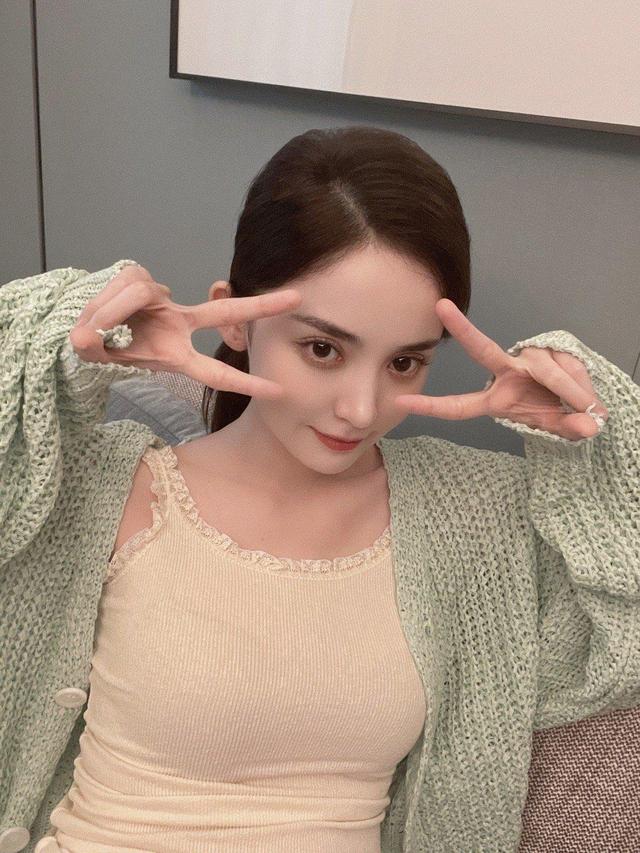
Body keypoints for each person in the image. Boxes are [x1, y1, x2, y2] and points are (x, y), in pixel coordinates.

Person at [1, 126, 637, 853]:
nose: (360, 410)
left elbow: (618, 649)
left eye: (404, 362)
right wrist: (65, 334)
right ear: (235, 319)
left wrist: (596, 435)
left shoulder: (477, 516)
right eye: (324, 348)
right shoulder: (107, 487)